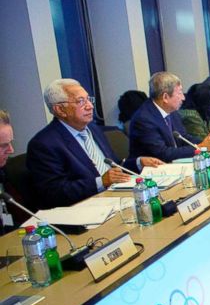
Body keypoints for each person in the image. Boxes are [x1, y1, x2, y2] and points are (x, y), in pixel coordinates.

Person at [26, 79, 163, 208]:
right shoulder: (44, 144)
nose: (90, 106)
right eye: (80, 101)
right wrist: (100, 182)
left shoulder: (93, 129)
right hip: (87, 208)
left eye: (89, 99)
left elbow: (112, 167)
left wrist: (138, 162)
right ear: (60, 110)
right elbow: (54, 193)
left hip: (118, 198)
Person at [129, 72, 210, 162]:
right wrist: (200, 147)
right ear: (165, 97)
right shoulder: (144, 119)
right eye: (179, 93)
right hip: (153, 171)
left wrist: (207, 142)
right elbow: (163, 153)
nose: (183, 98)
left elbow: (183, 137)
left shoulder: (171, 111)